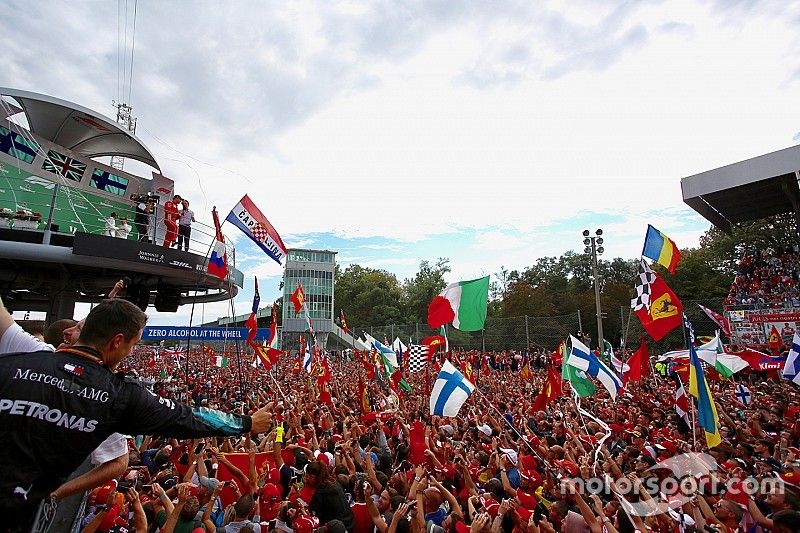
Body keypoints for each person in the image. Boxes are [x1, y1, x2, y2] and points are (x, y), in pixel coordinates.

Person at [0, 298, 274, 529]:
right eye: (133, 345)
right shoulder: (119, 396)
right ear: (117, 341)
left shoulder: (22, 353)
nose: (130, 352)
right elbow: (189, 418)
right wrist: (246, 423)